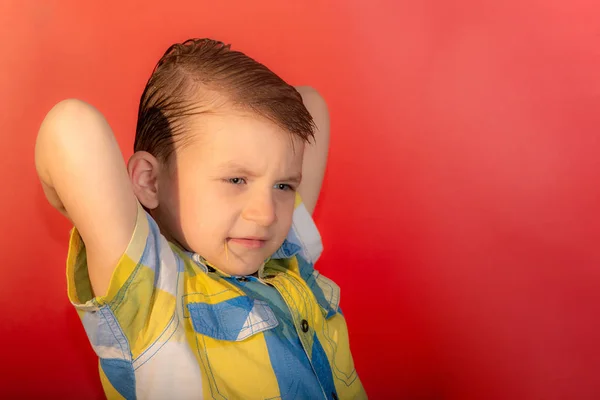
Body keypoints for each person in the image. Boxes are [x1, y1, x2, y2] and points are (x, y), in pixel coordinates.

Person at [35, 38, 366, 400]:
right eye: (236, 180)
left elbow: (309, 104)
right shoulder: (154, 298)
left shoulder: (285, 252)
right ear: (149, 180)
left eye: (283, 185)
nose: (267, 213)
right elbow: (71, 125)